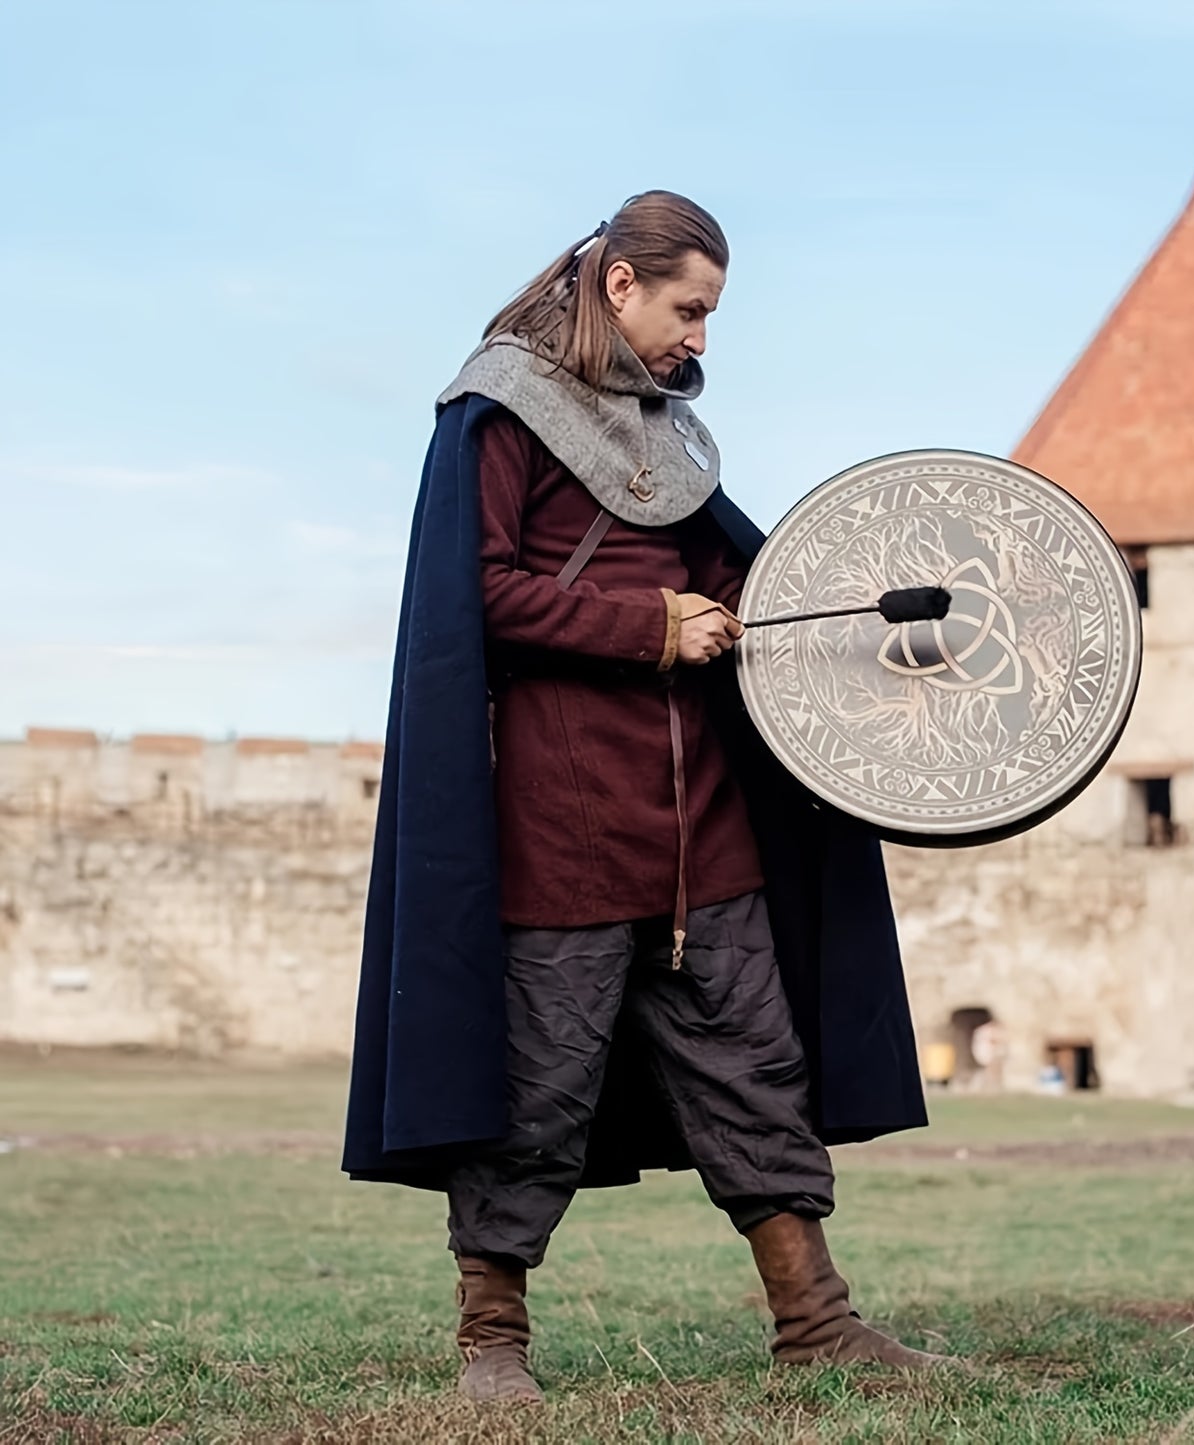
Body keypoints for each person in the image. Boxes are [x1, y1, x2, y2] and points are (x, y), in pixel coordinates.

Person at [342, 191, 943, 1405]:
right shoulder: (498, 407)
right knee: (538, 1082)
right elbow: (479, 595)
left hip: (702, 825)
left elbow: (741, 583)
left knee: (753, 1065)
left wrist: (865, 613)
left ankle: (816, 1321)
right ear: (621, 285)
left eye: (710, 312)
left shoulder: (654, 429)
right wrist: (642, 626)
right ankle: (491, 1344)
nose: (700, 337)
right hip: (562, 826)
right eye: (689, 307)